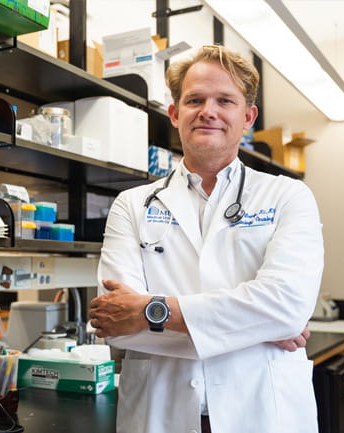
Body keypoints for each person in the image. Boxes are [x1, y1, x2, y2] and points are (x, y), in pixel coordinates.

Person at [88, 45, 324, 433]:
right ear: (175, 113)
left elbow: (287, 307)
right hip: (160, 412)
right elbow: (118, 325)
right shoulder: (131, 204)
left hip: (263, 411)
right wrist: (259, 327)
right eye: (194, 99)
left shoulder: (288, 196)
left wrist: (150, 311)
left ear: (247, 117)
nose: (208, 111)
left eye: (224, 100)